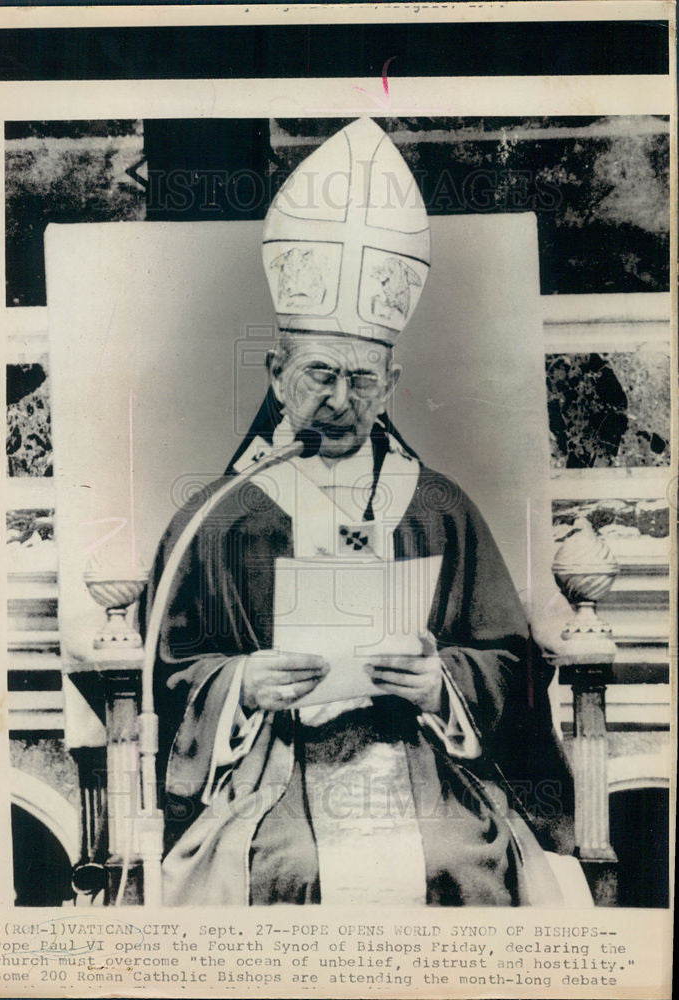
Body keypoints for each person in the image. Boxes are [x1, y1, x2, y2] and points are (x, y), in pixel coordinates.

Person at [142, 118, 575, 906]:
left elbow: (509, 661)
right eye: (318, 374)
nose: (340, 401)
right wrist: (243, 683)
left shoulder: (440, 508)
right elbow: (167, 671)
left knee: (453, 860)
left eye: (362, 380)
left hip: (423, 762)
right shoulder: (220, 519)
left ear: (392, 383)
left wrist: (439, 682)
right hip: (271, 767)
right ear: (277, 374)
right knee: (286, 871)